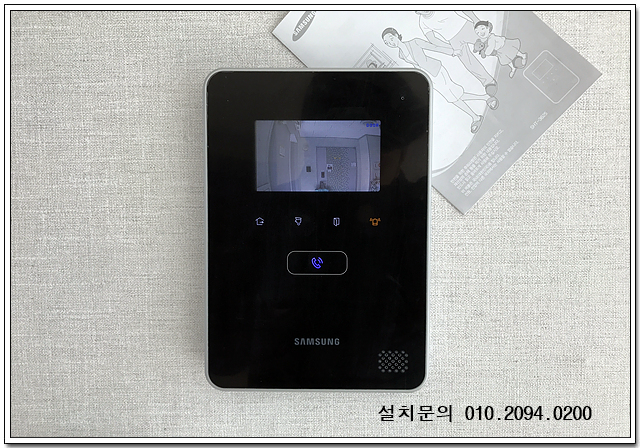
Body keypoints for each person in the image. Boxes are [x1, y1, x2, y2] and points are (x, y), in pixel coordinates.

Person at [382, 27, 498, 134]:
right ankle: (482, 103)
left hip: (436, 70)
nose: (391, 43)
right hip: (429, 77)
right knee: (452, 96)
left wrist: (452, 52)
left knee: (453, 95)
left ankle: (477, 113)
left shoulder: (414, 42)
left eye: (391, 38)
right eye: (387, 43)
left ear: (396, 35)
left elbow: (433, 47)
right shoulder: (401, 55)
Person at [415, 11, 498, 96]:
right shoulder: (423, 23)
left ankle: (503, 53)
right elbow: (432, 39)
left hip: (465, 26)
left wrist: (475, 20)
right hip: (453, 40)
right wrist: (449, 47)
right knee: (469, 62)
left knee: (488, 43)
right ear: (417, 12)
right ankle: (489, 82)